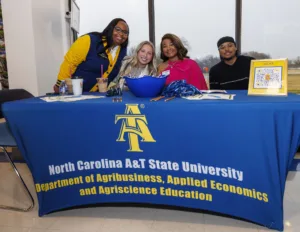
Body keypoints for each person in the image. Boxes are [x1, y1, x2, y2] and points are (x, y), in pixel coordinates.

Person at [53, 18, 129, 93]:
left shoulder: (122, 51)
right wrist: (60, 85)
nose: (121, 34)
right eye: (118, 29)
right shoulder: (88, 40)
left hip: (97, 96)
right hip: (76, 93)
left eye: (125, 32)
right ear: (111, 28)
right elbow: (69, 63)